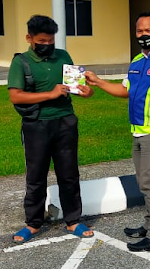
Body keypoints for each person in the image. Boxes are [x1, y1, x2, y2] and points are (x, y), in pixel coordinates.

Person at [85, 11, 150, 252]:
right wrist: (99, 82)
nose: (143, 35)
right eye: (140, 31)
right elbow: (126, 91)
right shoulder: (137, 61)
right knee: (144, 183)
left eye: (149, 31)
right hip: (139, 132)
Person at [8, 15, 95, 244]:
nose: (47, 45)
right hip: (37, 124)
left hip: (65, 121)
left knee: (69, 173)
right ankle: (33, 223)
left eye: (50, 41)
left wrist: (87, 92)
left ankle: (73, 220)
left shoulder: (63, 56)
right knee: (36, 176)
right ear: (29, 38)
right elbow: (15, 95)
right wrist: (50, 94)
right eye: (42, 41)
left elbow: (77, 87)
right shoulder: (21, 62)